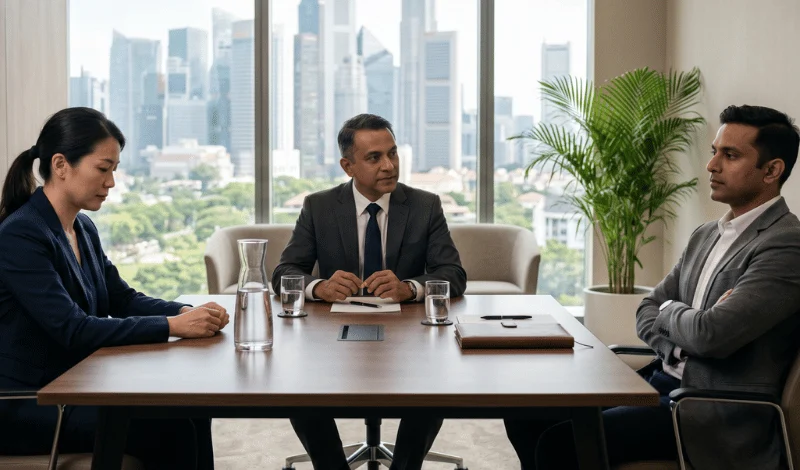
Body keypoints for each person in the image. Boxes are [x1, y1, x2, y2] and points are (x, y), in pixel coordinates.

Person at [504, 104, 800, 470]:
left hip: (708, 410)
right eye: (715, 152)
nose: (712, 165)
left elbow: (711, 334)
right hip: (656, 384)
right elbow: (647, 309)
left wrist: (671, 312)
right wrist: (682, 328)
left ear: (772, 170)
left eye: (731, 155)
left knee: (562, 443)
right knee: (526, 408)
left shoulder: (785, 244)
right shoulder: (706, 234)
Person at [0, 107, 230, 470]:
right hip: (30, 402)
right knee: (170, 429)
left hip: (76, 385)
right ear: (60, 165)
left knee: (191, 408)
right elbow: (73, 329)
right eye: (103, 169)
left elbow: (121, 298)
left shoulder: (82, 228)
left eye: (114, 170)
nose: (111, 183)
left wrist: (183, 312)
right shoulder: (21, 235)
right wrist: (172, 326)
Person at [273, 113, 466, 470]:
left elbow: (453, 274)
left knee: (435, 386)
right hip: (333, 335)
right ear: (348, 166)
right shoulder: (319, 206)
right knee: (297, 386)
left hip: (409, 336)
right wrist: (320, 287)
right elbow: (284, 273)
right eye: (374, 157)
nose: (389, 165)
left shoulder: (425, 206)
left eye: (392, 153)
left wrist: (409, 288)